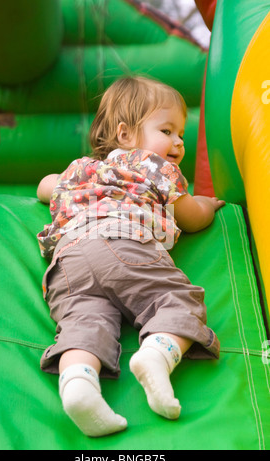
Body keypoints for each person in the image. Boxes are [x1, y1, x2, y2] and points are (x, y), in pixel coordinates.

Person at [36, 76, 224, 437]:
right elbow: (193, 217)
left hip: (68, 261)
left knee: (83, 322)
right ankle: (156, 354)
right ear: (124, 135)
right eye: (167, 130)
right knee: (176, 300)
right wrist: (208, 204)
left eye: (181, 134)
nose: (179, 142)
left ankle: (78, 383)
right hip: (125, 242)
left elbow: (47, 185)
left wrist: (56, 187)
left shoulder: (79, 170)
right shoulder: (154, 167)